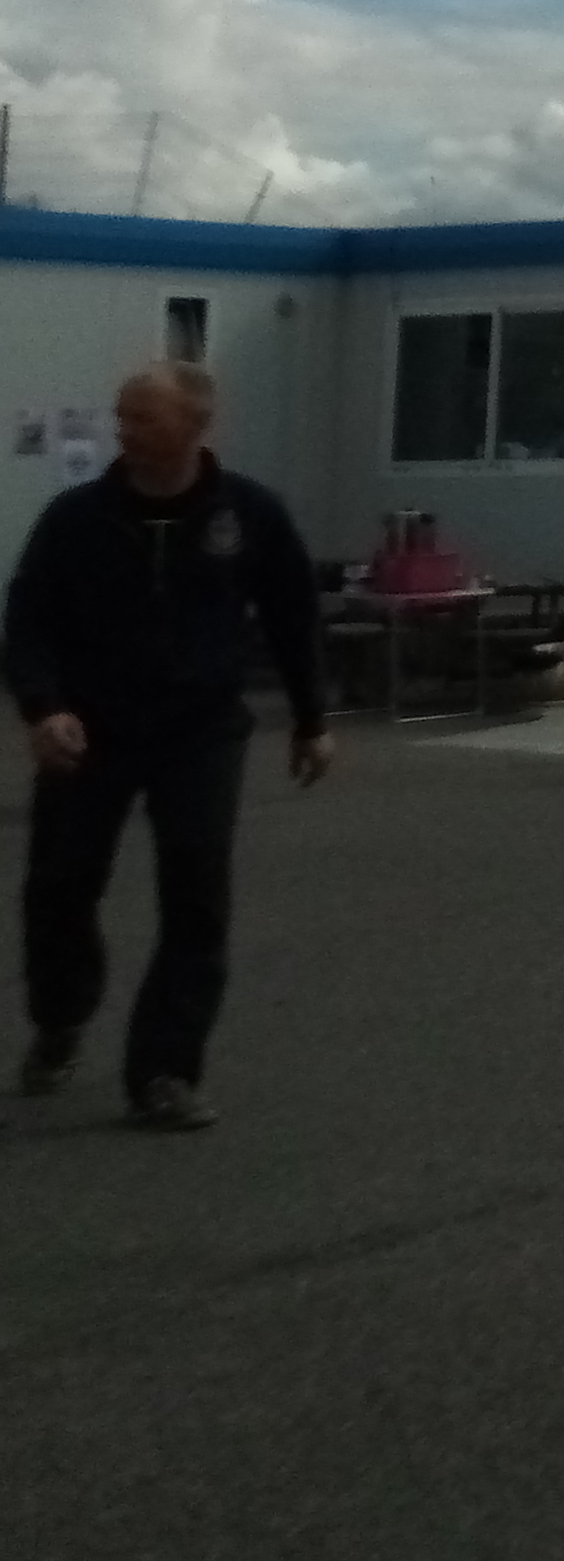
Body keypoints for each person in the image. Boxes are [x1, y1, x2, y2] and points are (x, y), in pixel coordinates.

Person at [8, 360, 333, 1132]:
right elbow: (27, 620)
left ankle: (165, 1072)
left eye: (143, 419)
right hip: (91, 728)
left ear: (196, 426)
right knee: (60, 887)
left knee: (195, 894)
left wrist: (312, 720)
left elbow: (293, 617)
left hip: (199, 731)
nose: (125, 432)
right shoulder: (76, 518)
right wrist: (44, 709)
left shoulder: (249, 514)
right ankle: (60, 1018)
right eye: (121, 417)